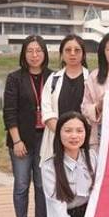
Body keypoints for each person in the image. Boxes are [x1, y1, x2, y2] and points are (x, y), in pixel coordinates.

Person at [3, 35, 52, 217]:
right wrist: (16, 141)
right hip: (21, 139)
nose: (34, 55)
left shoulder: (53, 77)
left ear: (44, 53)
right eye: (30, 51)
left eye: (38, 50)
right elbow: (9, 112)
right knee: (22, 184)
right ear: (24, 54)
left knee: (42, 184)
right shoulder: (15, 78)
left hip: (46, 139)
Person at [39, 35, 90, 163]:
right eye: (68, 50)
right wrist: (64, 134)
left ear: (83, 54)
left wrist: (76, 135)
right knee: (55, 173)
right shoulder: (53, 79)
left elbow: (94, 112)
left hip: (84, 141)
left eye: (77, 50)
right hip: (56, 138)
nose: (72, 53)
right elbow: (47, 111)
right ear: (61, 54)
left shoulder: (91, 79)